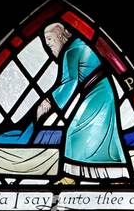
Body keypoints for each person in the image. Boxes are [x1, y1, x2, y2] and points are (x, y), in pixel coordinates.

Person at [35, 22, 129, 183]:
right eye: (45, 40)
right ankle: (116, 177)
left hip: (97, 92)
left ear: (60, 35)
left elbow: (69, 82)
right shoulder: (80, 44)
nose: (48, 43)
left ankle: (70, 177)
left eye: (49, 38)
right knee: (106, 132)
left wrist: (49, 102)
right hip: (101, 90)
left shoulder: (72, 51)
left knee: (72, 132)